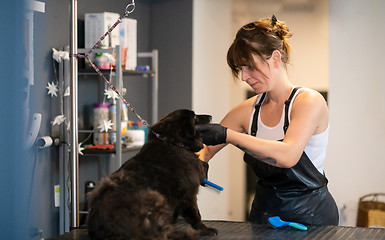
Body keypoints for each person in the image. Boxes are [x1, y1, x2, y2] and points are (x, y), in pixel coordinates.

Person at [196, 15, 339, 226]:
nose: (244, 77)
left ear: (275, 58)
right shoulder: (247, 111)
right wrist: (196, 163)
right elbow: (206, 148)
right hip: (265, 214)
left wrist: (229, 135)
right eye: (239, 69)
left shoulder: (309, 101)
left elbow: (287, 156)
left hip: (311, 216)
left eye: (250, 67)